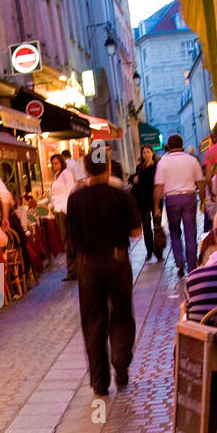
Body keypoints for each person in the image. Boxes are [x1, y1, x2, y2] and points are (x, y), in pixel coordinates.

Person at [67, 154, 142, 396]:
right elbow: (136, 231)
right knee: (120, 314)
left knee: (93, 320)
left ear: (86, 168)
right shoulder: (121, 194)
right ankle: (120, 364)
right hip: (117, 261)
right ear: (109, 168)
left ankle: (100, 381)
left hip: (89, 265)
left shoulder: (75, 198)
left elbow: (72, 239)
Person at [154, 134, 207, 278]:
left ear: (169, 147)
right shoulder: (192, 160)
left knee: (175, 232)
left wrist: (156, 207)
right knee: (191, 232)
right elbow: (201, 184)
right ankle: (192, 266)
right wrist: (203, 200)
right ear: (182, 145)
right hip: (189, 197)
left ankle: (179, 262)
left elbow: (158, 187)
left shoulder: (163, 163)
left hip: (171, 200)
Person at [50, 152, 87, 281]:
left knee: (69, 240)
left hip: (66, 211)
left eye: (56, 163)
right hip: (59, 211)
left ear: (62, 162)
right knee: (66, 240)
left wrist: (68, 209)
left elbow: (70, 191)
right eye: (53, 163)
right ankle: (72, 269)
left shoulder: (66, 174)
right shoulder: (57, 176)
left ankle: (74, 269)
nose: (54, 165)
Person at [129, 145, 164, 263]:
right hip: (143, 201)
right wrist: (134, 179)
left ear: (152, 153)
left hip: (155, 200)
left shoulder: (157, 166)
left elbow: (155, 181)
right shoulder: (140, 167)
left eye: (148, 152)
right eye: (144, 153)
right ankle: (149, 251)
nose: (146, 155)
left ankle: (159, 252)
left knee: (157, 226)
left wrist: (139, 179)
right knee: (147, 228)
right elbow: (132, 179)